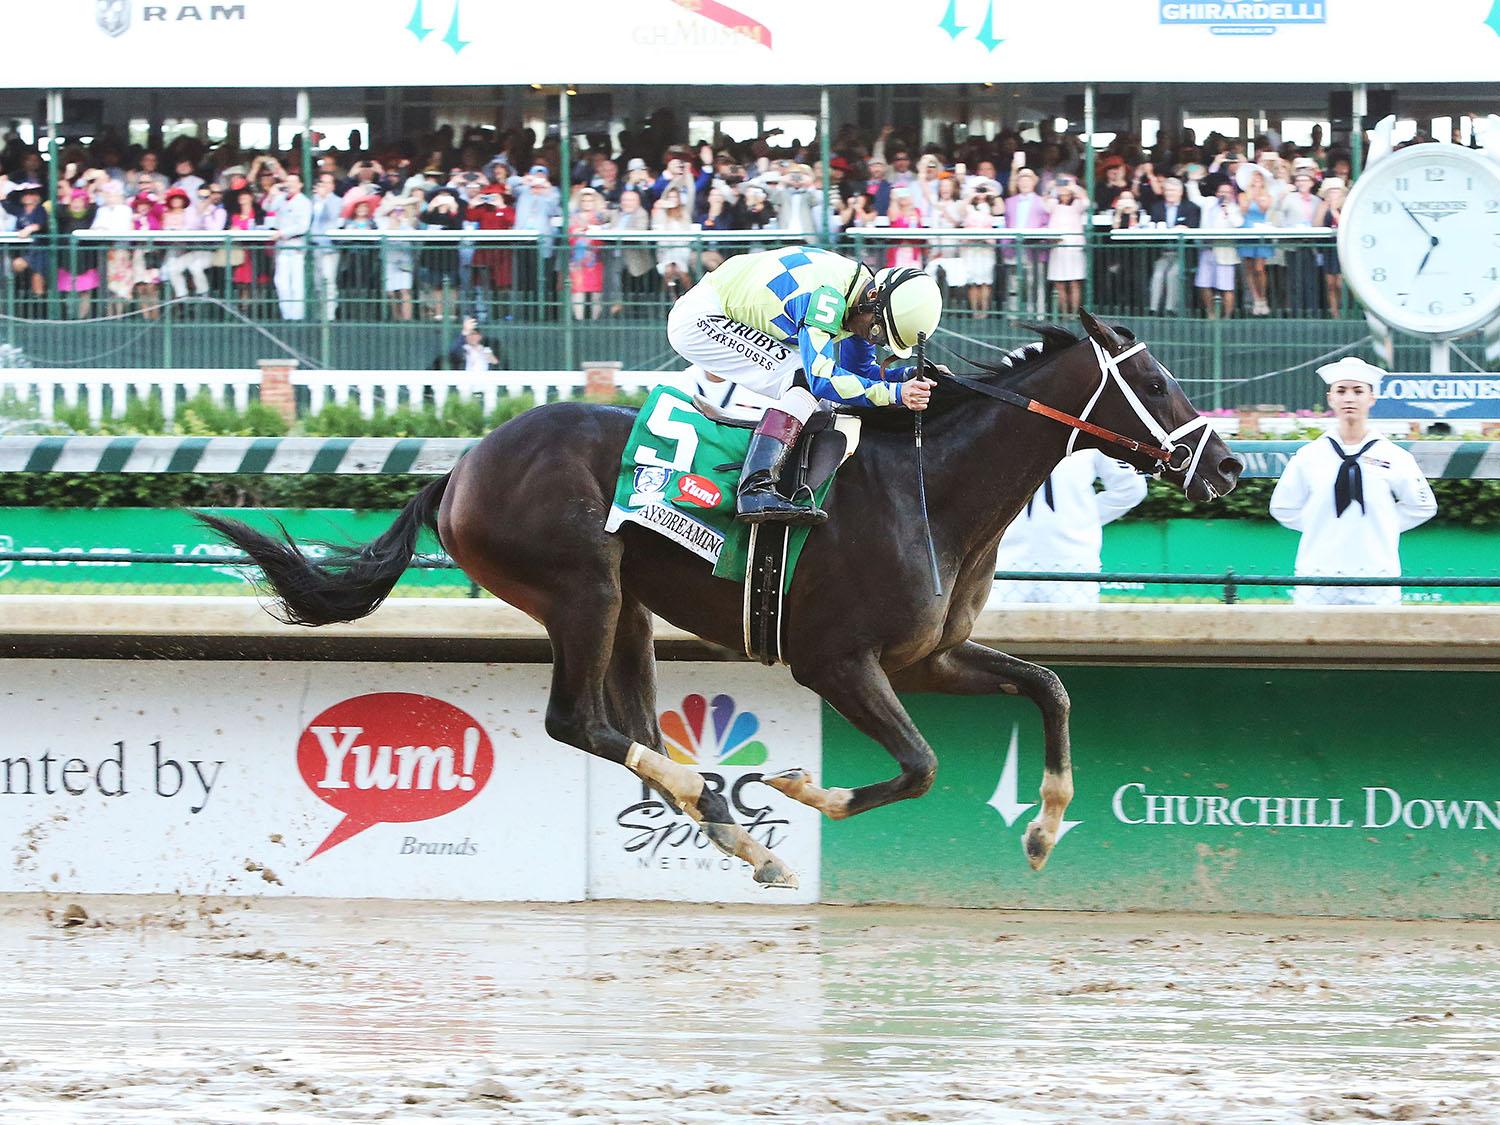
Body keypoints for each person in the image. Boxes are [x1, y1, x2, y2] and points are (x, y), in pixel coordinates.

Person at [666, 247, 940, 524]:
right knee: (804, 380)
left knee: (812, 384)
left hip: (723, 309)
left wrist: (906, 378)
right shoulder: (827, 297)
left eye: (881, 341)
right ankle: (755, 488)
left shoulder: (862, 298)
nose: (872, 340)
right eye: (876, 332)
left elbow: (859, 372)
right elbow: (822, 380)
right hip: (701, 319)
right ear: (872, 298)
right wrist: (896, 394)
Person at [1269, 357, 1437, 605]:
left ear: (1372, 398)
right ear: (1331, 398)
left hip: (1377, 578)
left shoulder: (1394, 456)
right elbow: (1283, 507)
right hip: (1317, 576)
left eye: (1358, 391)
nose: (1349, 398)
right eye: (1342, 391)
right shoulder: (1309, 456)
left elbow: (1423, 506)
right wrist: (1322, 522)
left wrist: (1382, 523)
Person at [993, 449, 1147, 604]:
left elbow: (1131, 488)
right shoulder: (1001, 430)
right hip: (1004, 560)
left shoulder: (1092, 431)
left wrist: (1081, 518)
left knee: (1074, 625)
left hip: (1069, 563)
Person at [263, 172, 312, 320]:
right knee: (281, 281)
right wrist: (271, 194)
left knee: (296, 282)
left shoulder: (303, 202)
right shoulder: (282, 198)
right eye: (288, 182)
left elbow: (303, 226)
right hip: (282, 245)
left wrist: (282, 233)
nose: (290, 185)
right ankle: (286, 315)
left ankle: (297, 316)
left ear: (300, 185)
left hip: (295, 244)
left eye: (293, 182)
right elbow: (267, 207)